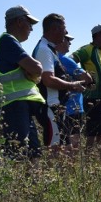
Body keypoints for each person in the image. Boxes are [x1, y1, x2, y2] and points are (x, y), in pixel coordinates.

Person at [0, 5, 45, 159]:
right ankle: (18, 183)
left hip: (17, 105)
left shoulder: (10, 43)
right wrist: (33, 70)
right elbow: (37, 68)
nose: (31, 29)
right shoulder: (7, 41)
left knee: (33, 154)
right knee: (19, 155)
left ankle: (33, 184)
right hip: (12, 105)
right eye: (30, 24)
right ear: (20, 22)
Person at [33, 13, 86, 151]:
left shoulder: (50, 49)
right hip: (50, 106)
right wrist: (72, 85)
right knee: (56, 150)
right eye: (64, 28)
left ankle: (64, 173)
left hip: (58, 107)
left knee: (66, 149)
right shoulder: (44, 50)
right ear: (54, 29)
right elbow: (48, 80)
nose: (66, 32)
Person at [72, 24, 101, 158]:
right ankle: (88, 164)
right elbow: (70, 60)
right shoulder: (87, 49)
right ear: (97, 35)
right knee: (92, 134)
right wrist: (82, 75)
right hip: (93, 98)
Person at [56, 35, 91, 154]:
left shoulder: (52, 59)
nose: (70, 44)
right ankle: (71, 169)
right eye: (68, 41)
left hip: (59, 106)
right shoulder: (65, 59)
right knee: (74, 143)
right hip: (73, 106)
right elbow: (87, 78)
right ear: (61, 41)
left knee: (62, 141)